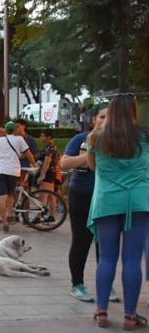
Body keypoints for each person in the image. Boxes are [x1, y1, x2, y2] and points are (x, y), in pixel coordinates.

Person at [85, 94, 149, 330]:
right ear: (133, 111)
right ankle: (130, 317)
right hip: (139, 201)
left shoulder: (97, 137)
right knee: (132, 259)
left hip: (108, 201)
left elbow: (92, 166)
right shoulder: (144, 136)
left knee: (108, 258)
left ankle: (101, 312)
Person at [61, 104, 118, 302]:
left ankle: (106, 285)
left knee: (105, 242)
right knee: (81, 240)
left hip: (107, 197)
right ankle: (77, 284)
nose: (105, 121)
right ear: (94, 119)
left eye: (110, 118)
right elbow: (64, 163)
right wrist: (88, 156)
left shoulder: (118, 142)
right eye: (102, 117)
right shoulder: (80, 139)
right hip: (82, 194)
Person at [0, 121, 37, 233]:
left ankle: (5, 222)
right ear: (14, 130)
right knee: (11, 194)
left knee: (1, 197)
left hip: (0, 170)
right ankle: (10, 213)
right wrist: (34, 165)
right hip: (13, 171)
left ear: (6, 130)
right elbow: (29, 154)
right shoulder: (19, 140)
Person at [36, 128, 59, 221]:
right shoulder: (51, 146)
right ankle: (52, 215)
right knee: (51, 195)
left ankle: (39, 216)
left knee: (44, 195)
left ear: (49, 137)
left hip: (48, 172)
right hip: (51, 172)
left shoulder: (50, 147)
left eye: (42, 136)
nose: (40, 138)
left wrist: (42, 175)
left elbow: (47, 162)